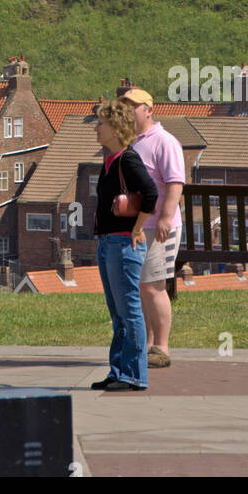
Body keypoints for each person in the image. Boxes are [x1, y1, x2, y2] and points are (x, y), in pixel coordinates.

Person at [92, 97, 158, 391]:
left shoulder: (128, 159)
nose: (97, 127)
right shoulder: (109, 161)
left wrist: (137, 227)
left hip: (123, 244)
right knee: (117, 313)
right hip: (107, 243)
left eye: (101, 122)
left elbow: (151, 193)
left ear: (116, 127)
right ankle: (119, 370)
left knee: (130, 310)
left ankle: (134, 374)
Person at [121, 87, 185, 370]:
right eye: (124, 106)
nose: (128, 111)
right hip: (135, 226)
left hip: (159, 226)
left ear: (149, 110)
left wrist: (165, 218)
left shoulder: (164, 141)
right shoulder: (129, 142)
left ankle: (161, 346)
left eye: (133, 106)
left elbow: (175, 183)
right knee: (139, 286)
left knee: (153, 285)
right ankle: (146, 345)